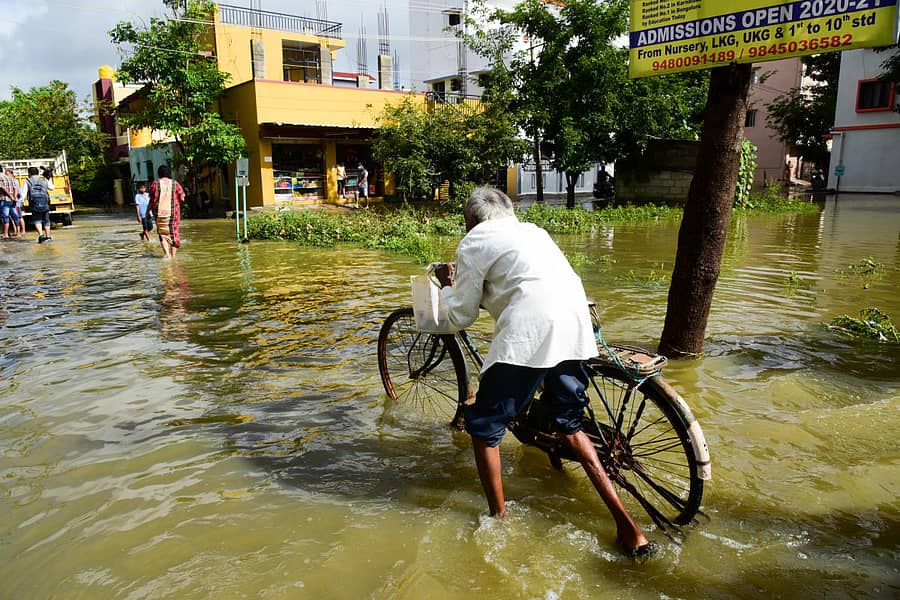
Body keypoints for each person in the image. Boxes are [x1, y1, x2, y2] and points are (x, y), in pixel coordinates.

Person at [434, 186, 656, 559]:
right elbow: (523, 282)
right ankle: (629, 527)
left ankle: (498, 517)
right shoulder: (535, 232)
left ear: (470, 220)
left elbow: (461, 314)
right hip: (575, 323)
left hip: (533, 331)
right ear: (508, 211)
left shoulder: (473, 242)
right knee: (569, 426)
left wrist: (445, 288)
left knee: (485, 428)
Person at [148, 164, 184, 259]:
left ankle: (167, 255)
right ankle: (173, 256)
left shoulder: (155, 184)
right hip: (173, 212)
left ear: (159, 173)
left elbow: (151, 200)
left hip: (158, 212)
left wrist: (147, 212)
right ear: (168, 173)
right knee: (173, 232)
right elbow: (182, 196)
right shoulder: (175, 183)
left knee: (162, 233)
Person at [23, 167, 52, 243]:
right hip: (45, 203)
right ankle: (48, 237)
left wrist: (20, 202)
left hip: (34, 203)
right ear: (38, 173)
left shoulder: (27, 181)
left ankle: (41, 235)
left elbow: (23, 194)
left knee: (37, 220)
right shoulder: (44, 179)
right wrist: (49, 178)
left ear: (29, 173)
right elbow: (52, 188)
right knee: (46, 220)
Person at [0, 167, 22, 239]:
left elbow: (2, 188)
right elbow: (15, 188)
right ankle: (18, 232)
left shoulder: (0, 177)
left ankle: (6, 234)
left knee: (5, 216)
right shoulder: (9, 177)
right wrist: (14, 197)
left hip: (4, 199)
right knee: (15, 216)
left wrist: (10, 196)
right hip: (12, 200)